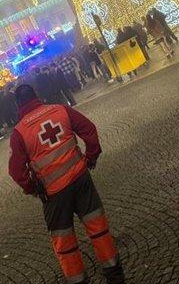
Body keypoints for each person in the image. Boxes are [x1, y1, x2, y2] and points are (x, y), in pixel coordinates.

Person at [8, 84, 124, 284]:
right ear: (36, 96)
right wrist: (91, 157)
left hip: (53, 195)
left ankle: (78, 280)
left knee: (65, 243)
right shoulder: (60, 110)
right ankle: (114, 273)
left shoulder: (19, 133)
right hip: (81, 179)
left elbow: (16, 171)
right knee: (98, 228)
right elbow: (89, 129)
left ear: (18, 105)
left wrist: (33, 188)